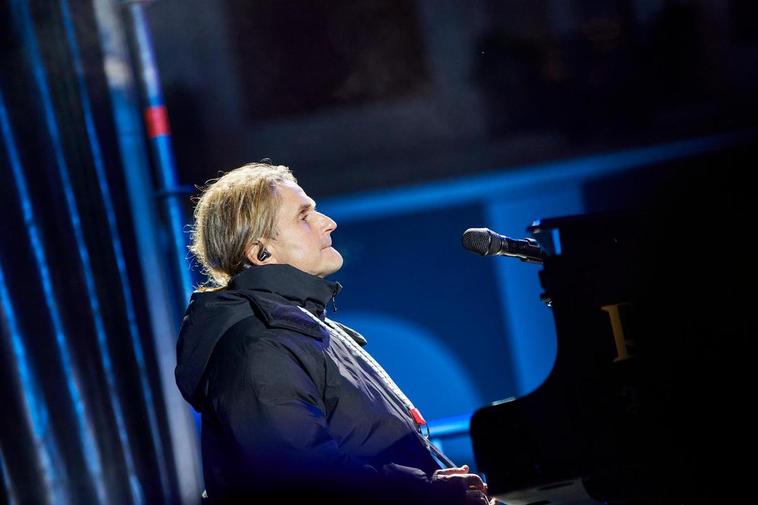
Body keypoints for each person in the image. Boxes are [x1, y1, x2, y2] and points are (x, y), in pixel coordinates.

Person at [175, 162, 492, 504]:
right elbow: (304, 478)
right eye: (304, 216)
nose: (328, 222)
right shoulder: (259, 346)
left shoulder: (300, 327)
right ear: (260, 252)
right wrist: (425, 492)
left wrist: (428, 482)